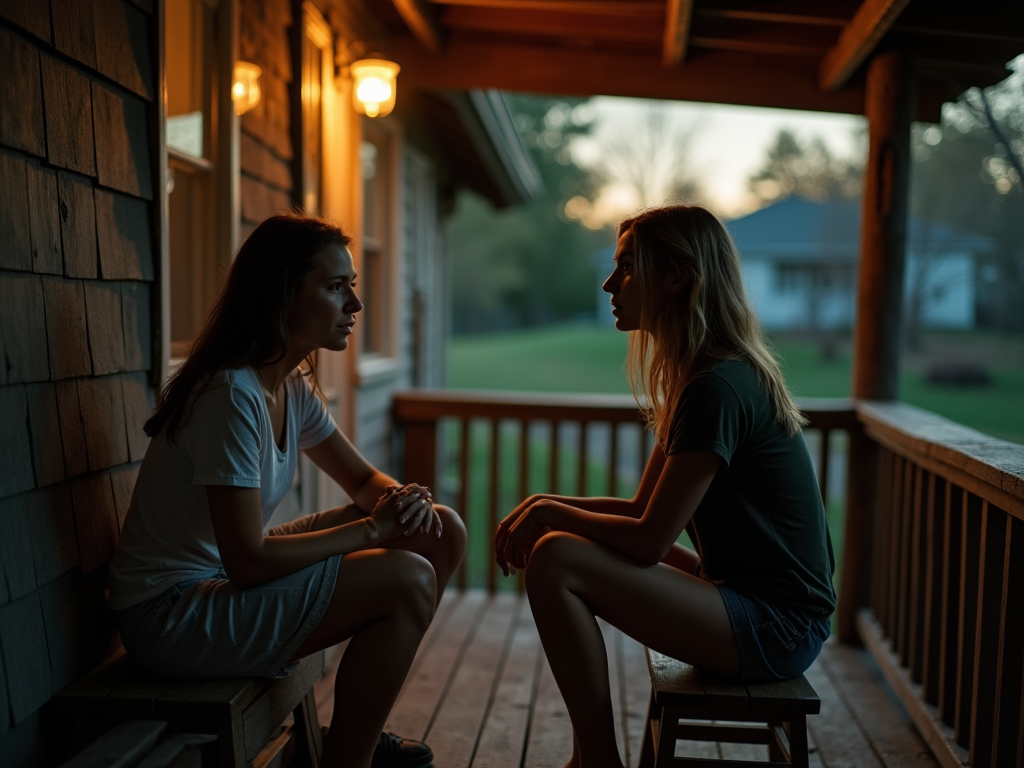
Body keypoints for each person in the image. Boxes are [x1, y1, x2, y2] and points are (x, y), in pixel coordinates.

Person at [109, 212, 466, 768]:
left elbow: (362, 480)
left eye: (352, 286)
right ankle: (350, 758)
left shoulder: (288, 387)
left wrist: (404, 502)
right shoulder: (232, 395)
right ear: (282, 296)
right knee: (407, 579)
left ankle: (357, 738)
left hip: (220, 584)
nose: (355, 305)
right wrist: (373, 529)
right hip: (171, 615)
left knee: (441, 529)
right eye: (334, 287)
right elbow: (249, 561)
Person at [494, 205, 835, 768]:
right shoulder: (699, 378)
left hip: (777, 625)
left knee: (556, 559)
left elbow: (650, 540)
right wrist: (543, 506)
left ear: (678, 276)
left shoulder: (718, 386)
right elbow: (639, 510)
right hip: (747, 600)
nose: (609, 283)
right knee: (560, 547)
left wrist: (550, 515)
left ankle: (596, 761)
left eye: (627, 267)